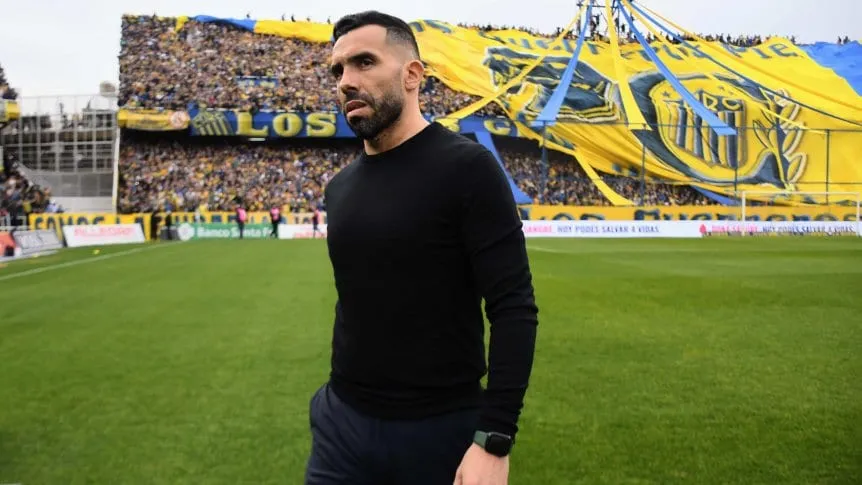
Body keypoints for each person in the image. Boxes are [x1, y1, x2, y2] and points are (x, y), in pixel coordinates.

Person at [304, 11, 539, 485]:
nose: (346, 81)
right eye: (338, 70)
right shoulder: (339, 187)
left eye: (364, 62)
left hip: (438, 429)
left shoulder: (467, 170)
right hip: (341, 425)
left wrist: (494, 437)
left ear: (412, 75)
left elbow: (513, 307)